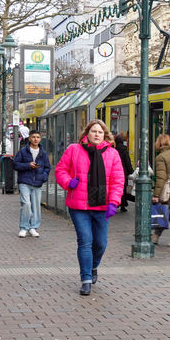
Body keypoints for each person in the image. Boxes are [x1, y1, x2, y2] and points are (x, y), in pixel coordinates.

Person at [55, 119, 125, 296]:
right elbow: (60, 169)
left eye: (100, 132)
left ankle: (94, 266)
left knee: (100, 243)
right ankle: (85, 279)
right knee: (85, 241)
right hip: (79, 206)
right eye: (93, 131)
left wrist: (114, 202)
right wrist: (68, 181)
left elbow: (118, 181)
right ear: (87, 133)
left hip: (102, 206)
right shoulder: (74, 150)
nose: (96, 134)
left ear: (105, 135)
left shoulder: (113, 154)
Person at [13, 130, 51, 238]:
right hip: (25, 181)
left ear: (40, 139)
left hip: (37, 182)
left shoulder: (43, 153)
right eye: (33, 137)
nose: (35, 139)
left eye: (38, 137)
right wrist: (28, 165)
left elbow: (47, 167)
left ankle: (33, 227)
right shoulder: (23, 151)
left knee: (36, 206)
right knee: (26, 204)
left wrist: (43, 177)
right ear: (29, 138)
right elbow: (15, 165)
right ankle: (23, 228)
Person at [114, 135, 134, 212]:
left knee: (115, 188)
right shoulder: (125, 150)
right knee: (123, 189)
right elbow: (127, 162)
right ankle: (123, 205)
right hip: (123, 172)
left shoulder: (114, 150)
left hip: (115, 172)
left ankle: (115, 203)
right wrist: (131, 172)